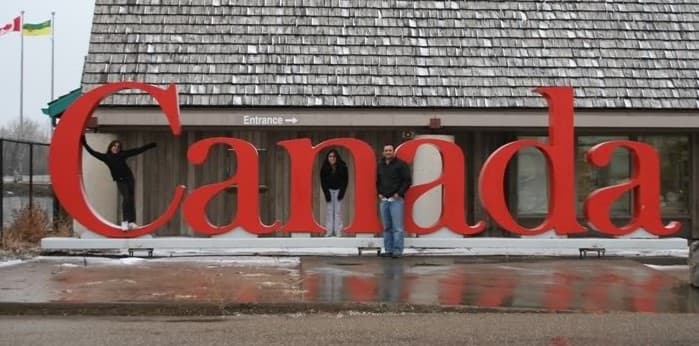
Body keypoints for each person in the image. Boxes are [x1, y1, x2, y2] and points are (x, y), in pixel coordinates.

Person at [82, 135, 157, 231]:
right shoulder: (106, 157)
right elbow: (93, 152)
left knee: (130, 199)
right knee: (126, 197)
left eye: (118, 147)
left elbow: (137, 150)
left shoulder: (122, 154)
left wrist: (150, 145)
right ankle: (125, 222)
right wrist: (85, 144)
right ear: (110, 147)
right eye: (114, 146)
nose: (116, 148)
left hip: (129, 178)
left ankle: (132, 222)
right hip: (120, 180)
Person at [376, 144, 411, 258]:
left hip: (396, 200)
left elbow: (407, 181)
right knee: (387, 227)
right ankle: (388, 250)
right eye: (386, 150)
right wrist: (379, 193)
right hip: (384, 200)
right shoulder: (380, 165)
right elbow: (378, 181)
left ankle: (397, 251)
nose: (388, 152)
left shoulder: (401, 165)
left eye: (390, 150)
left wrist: (399, 194)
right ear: (383, 152)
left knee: (397, 228)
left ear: (394, 152)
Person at [320, 148, 348, 237]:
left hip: (339, 190)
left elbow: (345, 180)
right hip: (329, 190)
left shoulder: (343, 166)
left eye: (333, 156)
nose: (332, 158)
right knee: (329, 211)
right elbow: (322, 181)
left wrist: (342, 192)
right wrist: (326, 193)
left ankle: (338, 231)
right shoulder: (324, 167)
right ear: (327, 158)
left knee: (338, 211)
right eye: (330, 156)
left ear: (337, 157)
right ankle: (329, 231)